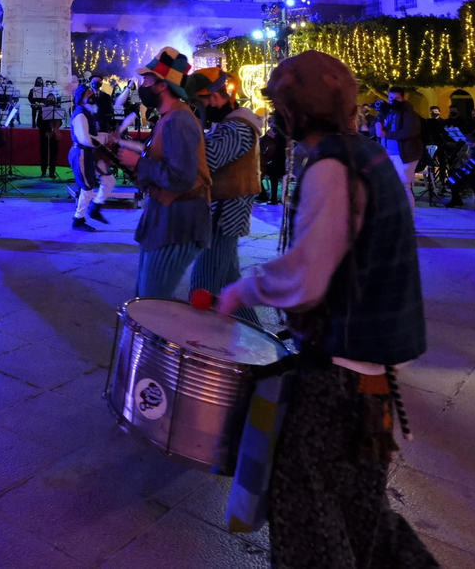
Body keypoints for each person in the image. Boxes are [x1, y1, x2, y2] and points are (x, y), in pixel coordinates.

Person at [216, 50, 436, 568]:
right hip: (372, 378)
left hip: (338, 379)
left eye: (280, 107)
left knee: (308, 518)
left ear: (294, 113)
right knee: (362, 517)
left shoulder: (332, 167)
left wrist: (243, 290)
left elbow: (307, 277)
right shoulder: (369, 155)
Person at [115, 47, 211, 298]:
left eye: (147, 79)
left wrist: (138, 163)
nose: (142, 85)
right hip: (167, 220)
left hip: (177, 223)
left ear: (161, 86)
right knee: (146, 301)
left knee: (152, 304)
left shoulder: (178, 120)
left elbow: (181, 177)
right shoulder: (170, 117)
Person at [183, 68, 261, 310]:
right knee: (229, 283)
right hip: (224, 207)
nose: (200, 108)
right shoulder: (231, 124)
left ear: (215, 97)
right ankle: (254, 335)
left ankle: (196, 339)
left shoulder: (237, 126)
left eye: (200, 102)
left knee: (204, 284)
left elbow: (208, 159)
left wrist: (183, 135)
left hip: (226, 211)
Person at [68, 86, 114, 232]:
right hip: (82, 153)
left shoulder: (88, 112)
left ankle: (96, 207)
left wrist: (108, 137)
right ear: (81, 97)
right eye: (89, 93)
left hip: (91, 152)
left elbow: (91, 137)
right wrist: (105, 138)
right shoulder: (81, 114)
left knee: (109, 180)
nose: (93, 94)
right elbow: (85, 139)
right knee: (87, 189)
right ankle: (78, 219)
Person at [376, 87, 425, 207]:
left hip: (404, 155)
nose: (393, 101)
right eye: (391, 98)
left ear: (403, 98)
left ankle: (409, 219)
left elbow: (409, 132)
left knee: (404, 187)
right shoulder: (387, 112)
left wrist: (385, 134)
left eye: (396, 98)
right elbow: (374, 129)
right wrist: (377, 125)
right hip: (388, 154)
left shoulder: (409, 114)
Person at [31, 77, 62, 177]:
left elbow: (60, 121)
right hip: (44, 134)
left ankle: (52, 171)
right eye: (49, 99)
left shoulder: (58, 109)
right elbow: (39, 122)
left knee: (54, 153)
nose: (51, 100)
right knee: (44, 153)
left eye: (52, 99)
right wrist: (46, 130)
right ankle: (43, 171)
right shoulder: (42, 109)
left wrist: (56, 128)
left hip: (54, 134)